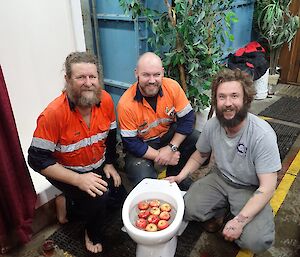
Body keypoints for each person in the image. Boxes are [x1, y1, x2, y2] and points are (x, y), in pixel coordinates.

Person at [166, 68, 281, 253]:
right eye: (222, 97)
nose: (228, 103)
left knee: (256, 242)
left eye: (234, 96)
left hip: (250, 187)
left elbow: (268, 187)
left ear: (246, 99)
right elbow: (200, 155)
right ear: (216, 100)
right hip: (220, 178)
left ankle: (241, 212)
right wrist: (180, 177)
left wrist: (239, 220)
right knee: (186, 208)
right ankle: (222, 209)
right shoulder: (213, 125)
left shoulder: (262, 134)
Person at [28, 52, 125, 254]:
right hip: (68, 171)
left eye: (92, 77)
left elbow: (111, 134)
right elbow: (36, 159)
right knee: (99, 198)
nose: (88, 83)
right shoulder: (53, 114)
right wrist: (77, 180)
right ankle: (91, 233)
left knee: (118, 198)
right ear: (67, 80)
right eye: (80, 77)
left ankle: (66, 204)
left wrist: (109, 163)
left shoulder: (106, 100)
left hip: (97, 165)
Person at [117, 52, 200, 190]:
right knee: (144, 179)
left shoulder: (172, 87)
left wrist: (171, 148)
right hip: (142, 147)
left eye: (156, 74)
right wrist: (161, 156)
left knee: (197, 139)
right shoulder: (126, 104)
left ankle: (176, 176)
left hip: (167, 138)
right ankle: (155, 185)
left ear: (162, 73)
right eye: (146, 75)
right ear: (136, 74)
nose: (152, 80)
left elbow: (187, 119)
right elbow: (131, 143)